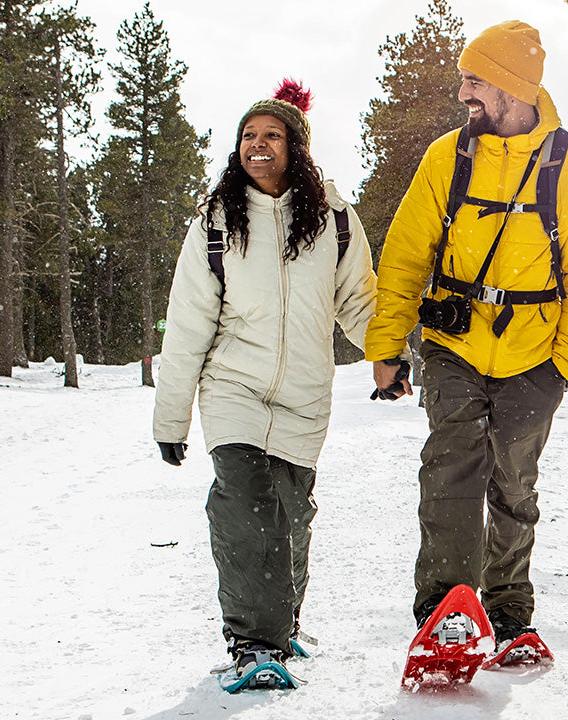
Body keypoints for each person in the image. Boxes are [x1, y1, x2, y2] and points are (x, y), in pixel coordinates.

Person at [365, 21, 568, 653]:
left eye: (474, 80)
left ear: (511, 84)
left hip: (535, 356)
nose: (463, 93)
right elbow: (404, 256)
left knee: (514, 484)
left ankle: (508, 614)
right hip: (454, 346)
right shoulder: (447, 157)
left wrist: (565, 366)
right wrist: (385, 347)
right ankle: (447, 612)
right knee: (450, 470)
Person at [153, 80, 377, 682]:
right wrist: (171, 417)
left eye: (272, 136)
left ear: (296, 147)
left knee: (291, 512)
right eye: (248, 136)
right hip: (233, 388)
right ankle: (256, 645)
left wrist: (391, 355)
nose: (257, 145)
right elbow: (187, 323)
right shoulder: (216, 221)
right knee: (245, 506)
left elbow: (359, 303)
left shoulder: (333, 218)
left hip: (305, 394)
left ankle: (283, 624)